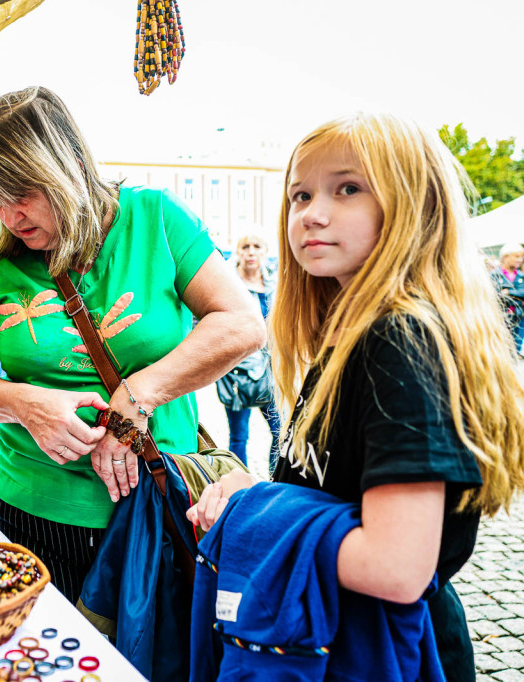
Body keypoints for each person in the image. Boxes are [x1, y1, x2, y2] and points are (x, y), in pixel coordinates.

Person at [187, 113, 524, 681]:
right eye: (300, 194)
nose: (311, 213)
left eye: (348, 188)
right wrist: (259, 488)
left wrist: (252, 511)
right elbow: (329, 491)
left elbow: (397, 567)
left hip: (389, 652)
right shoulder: (347, 332)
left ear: (413, 206)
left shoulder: (400, 340)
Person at [0, 87, 265, 601]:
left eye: (22, 193)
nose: (9, 217)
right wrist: (28, 404)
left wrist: (135, 399)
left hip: (154, 504)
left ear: (69, 165)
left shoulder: (156, 219)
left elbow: (242, 324)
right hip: (24, 508)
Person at [221, 232, 281, 470]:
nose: (251, 252)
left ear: (265, 252)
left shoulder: (273, 285)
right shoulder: (228, 284)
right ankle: (241, 489)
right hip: (238, 374)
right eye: (245, 246)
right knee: (239, 437)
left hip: (270, 373)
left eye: (257, 246)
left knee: (280, 434)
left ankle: (276, 483)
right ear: (239, 252)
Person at [491, 242, 524, 356]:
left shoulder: (521, 276)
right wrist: (518, 295)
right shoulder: (494, 275)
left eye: (521, 257)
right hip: (500, 318)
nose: (520, 260)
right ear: (505, 257)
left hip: (519, 318)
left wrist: (508, 292)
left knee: (515, 351)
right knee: (501, 351)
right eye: (517, 256)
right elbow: (495, 295)